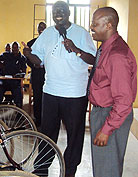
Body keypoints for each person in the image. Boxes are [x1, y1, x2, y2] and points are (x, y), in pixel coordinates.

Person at [22, 1, 96, 176]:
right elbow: (39, 62)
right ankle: (41, 169)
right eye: (55, 11)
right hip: (51, 93)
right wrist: (28, 53)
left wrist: (76, 49)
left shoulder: (81, 33)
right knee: (47, 135)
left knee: (75, 136)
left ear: (69, 12)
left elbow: (93, 60)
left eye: (62, 10)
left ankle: (70, 170)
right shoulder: (47, 33)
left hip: (75, 94)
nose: (58, 13)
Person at [89, 7, 137, 177]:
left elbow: (124, 100)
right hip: (103, 112)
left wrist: (106, 129)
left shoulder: (117, 55)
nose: (91, 27)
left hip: (110, 114)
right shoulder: (106, 48)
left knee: (107, 170)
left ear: (108, 25)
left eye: (95, 24)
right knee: (105, 166)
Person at [26, 22, 46, 127]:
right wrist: (34, 64)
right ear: (37, 29)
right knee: (37, 97)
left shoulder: (49, 42)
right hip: (37, 74)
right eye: (40, 27)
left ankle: (46, 118)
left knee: (47, 97)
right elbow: (27, 59)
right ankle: (38, 118)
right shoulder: (31, 43)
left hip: (48, 74)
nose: (41, 29)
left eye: (43, 27)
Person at [0, 42, 26, 108]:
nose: (14, 49)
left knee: (18, 92)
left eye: (16, 48)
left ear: (19, 48)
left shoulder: (22, 58)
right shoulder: (6, 55)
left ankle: (19, 111)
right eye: (13, 48)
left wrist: (18, 75)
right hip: (4, 81)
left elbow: (24, 71)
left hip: (15, 81)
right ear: (11, 49)